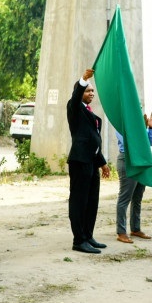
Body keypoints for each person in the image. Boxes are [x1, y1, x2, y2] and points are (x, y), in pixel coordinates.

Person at [67, 69, 110, 254]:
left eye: (92, 91)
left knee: (92, 201)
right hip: (80, 161)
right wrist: (83, 80)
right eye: (87, 90)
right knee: (79, 201)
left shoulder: (90, 112)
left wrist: (102, 162)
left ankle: (88, 235)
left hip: (92, 162)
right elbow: (76, 97)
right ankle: (79, 240)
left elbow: (94, 139)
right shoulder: (74, 107)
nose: (91, 93)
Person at [115, 111, 152, 243]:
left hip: (140, 161)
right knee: (125, 197)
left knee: (137, 197)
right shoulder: (121, 124)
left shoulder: (140, 125)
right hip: (128, 161)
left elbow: (151, 142)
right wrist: (141, 129)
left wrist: (150, 128)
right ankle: (121, 232)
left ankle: (135, 228)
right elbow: (130, 143)